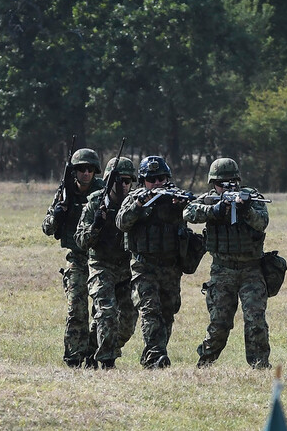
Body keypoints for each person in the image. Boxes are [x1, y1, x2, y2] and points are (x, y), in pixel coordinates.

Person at [183, 158, 271, 369]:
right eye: (222, 184)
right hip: (222, 270)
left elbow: (262, 222)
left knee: (255, 321)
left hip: (251, 269)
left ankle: (260, 365)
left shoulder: (252, 198)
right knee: (219, 323)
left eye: (231, 183)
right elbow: (188, 212)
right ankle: (205, 363)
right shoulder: (210, 200)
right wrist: (215, 210)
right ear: (213, 184)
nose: (227, 187)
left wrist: (246, 209)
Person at [116, 155, 190, 369]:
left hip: (170, 266)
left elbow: (195, 213)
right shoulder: (135, 198)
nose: (157, 183)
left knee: (168, 312)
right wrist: (139, 205)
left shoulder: (176, 197)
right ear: (143, 181)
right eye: (151, 179)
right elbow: (121, 222)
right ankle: (156, 357)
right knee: (150, 310)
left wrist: (181, 206)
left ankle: (153, 354)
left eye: (161, 179)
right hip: (143, 265)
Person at [75, 156, 138, 370]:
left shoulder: (135, 204)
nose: (122, 185)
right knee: (107, 313)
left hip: (126, 268)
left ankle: (95, 349)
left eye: (127, 181)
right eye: (117, 180)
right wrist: (96, 226)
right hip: (101, 265)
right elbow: (81, 240)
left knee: (128, 321)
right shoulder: (95, 203)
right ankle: (107, 362)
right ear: (108, 180)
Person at [42, 147, 103, 367]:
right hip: (77, 259)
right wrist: (58, 214)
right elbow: (47, 228)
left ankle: (94, 355)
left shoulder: (102, 192)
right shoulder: (64, 193)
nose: (85, 173)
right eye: (80, 169)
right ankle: (74, 357)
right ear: (74, 172)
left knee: (102, 312)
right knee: (76, 308)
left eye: (89, 169)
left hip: (101, 258)